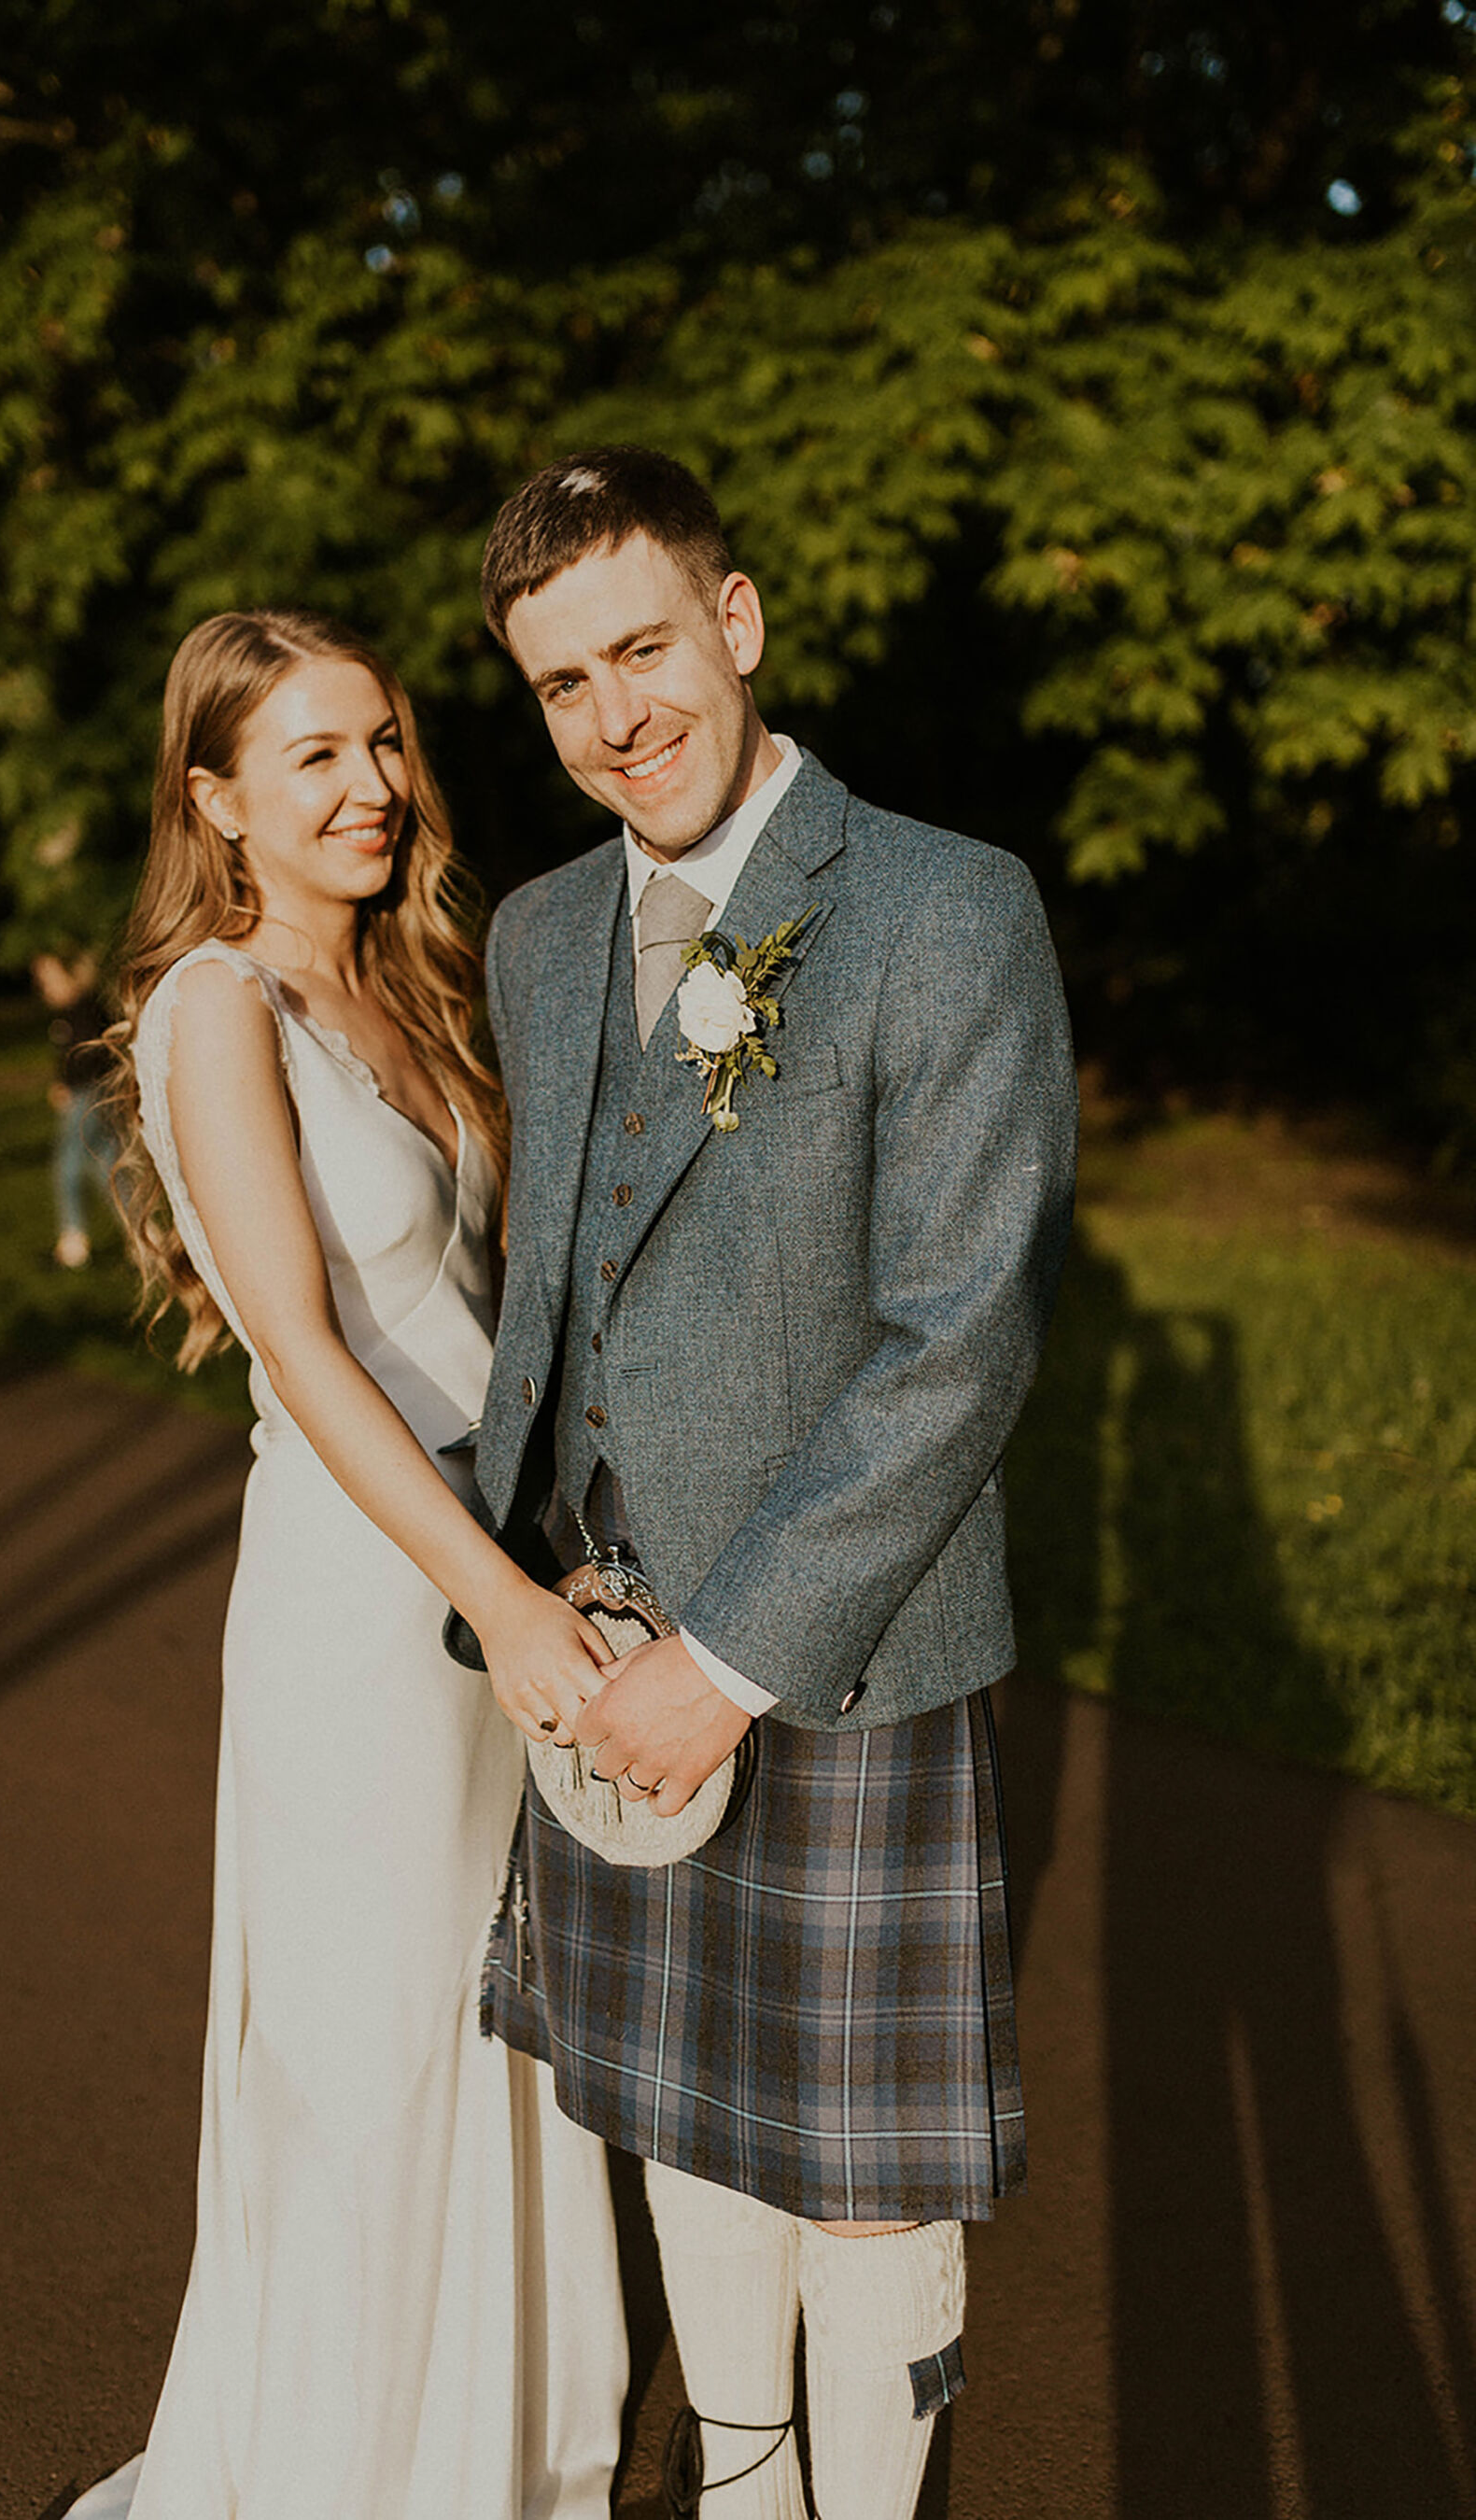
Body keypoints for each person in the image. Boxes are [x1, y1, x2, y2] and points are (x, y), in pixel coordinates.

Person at [466, 449, 1077, 2520]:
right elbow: (543, 1289)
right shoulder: (541, 936)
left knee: (864, 2167)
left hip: (837, 1655)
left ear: (736, 620)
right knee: (680, 2111)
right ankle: (738, 2480)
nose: (614, 714)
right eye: (561, 683)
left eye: (642, 647)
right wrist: (498, 1577)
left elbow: (964, 1332)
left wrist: (720, 1660)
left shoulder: (942, 901)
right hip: (601, 1633)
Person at [68, 608, 626, 2520]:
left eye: (381, 741)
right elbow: (305, 1352)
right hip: (377, 1602)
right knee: (374, 2050)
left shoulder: (415, 977)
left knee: (509, 2038)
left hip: (501, 1562)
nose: (373, 785)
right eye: (312, 755)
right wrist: (493, 1593)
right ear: (213, 795)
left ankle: (492, 2461)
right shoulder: (215, 1009)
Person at [31, 950, 118, 1268]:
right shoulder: (71, 1012)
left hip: (89, 1094)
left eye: (49, 978)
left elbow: (90, 1054)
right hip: (90, 1093)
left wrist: (70, 1086)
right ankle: (146, 1236)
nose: (44, 987)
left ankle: (73, 1242)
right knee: (107, 1161)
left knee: (67, 1163)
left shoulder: (86, 1011)